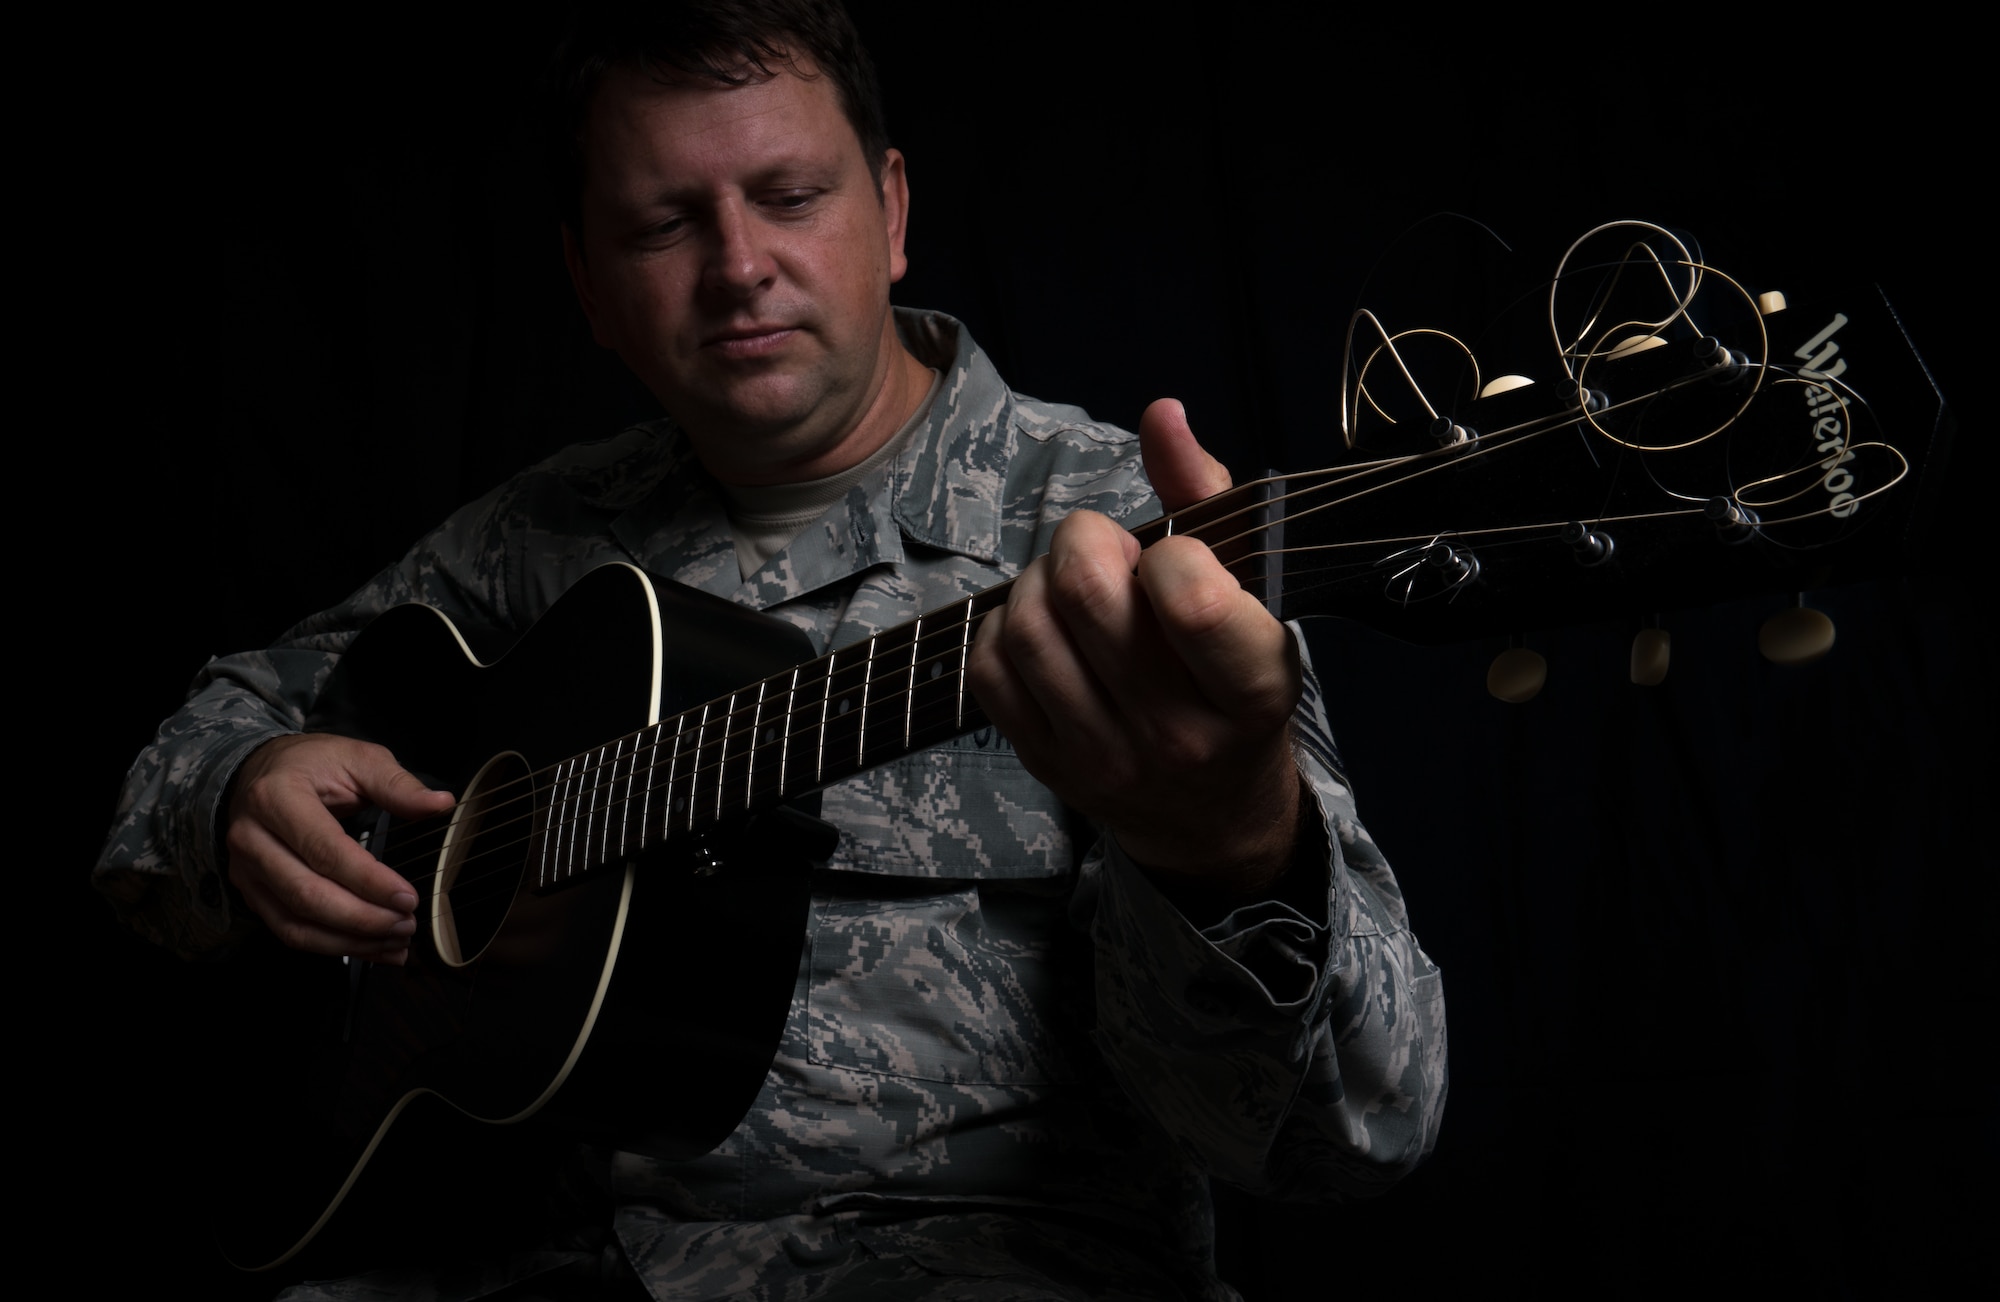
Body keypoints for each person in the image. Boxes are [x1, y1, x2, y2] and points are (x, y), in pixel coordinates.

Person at [95, 4, 1446, 1298]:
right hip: (500, 1254)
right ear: (587, 282)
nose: (739, 264)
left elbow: (1366, 1119)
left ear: (894, 210)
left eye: (790, 197)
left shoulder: (1116, 539)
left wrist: (1227, 847)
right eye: (665, 222)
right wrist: (241, 792)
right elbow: (217, 724)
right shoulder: (543, 537)